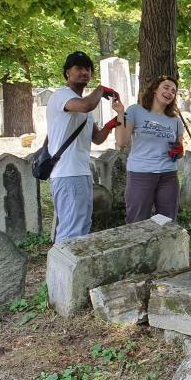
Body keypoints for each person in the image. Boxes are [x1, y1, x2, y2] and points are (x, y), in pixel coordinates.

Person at [47, 51, 121, 242]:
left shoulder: (83, 107)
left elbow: (97, 138)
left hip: (81, 172)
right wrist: (101, 90)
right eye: (78, 68)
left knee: (81, 226)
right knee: (71, 230)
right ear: (67, 73)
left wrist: (115, 122)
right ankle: (62, 270)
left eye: (87, 69)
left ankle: (72, 269)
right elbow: (87, 104)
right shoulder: (62, 96)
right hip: (66, 173)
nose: (84, 72)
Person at [113, 75, 185, 223]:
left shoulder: (175, 121)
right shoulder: (135, 111)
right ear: (154, 90)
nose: (170, 92)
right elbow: (121, 141)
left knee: (167, 222)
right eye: (166, 87)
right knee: (137, 221)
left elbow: (179, 151)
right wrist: (120, 113)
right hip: (141, 174)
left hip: (168, 176)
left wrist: (178, 152)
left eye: (173, 91)